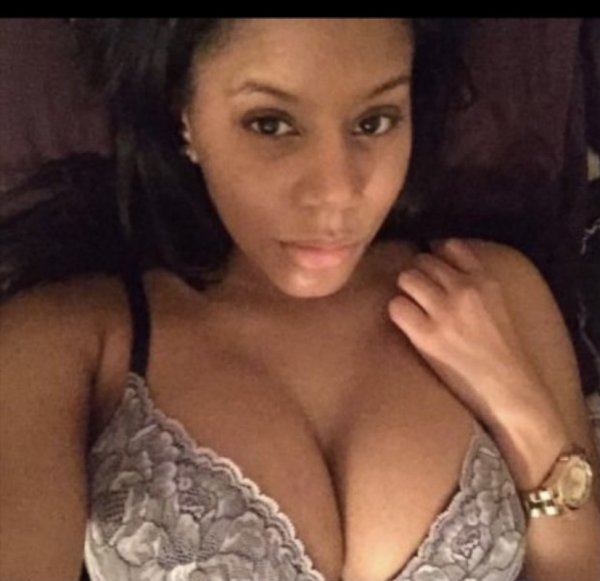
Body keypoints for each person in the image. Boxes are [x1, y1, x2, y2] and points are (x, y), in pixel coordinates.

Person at [0, 18, 599, 581]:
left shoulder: (492, 291)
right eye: (271, 124)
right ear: (184, 114)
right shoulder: (69, 344)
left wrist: (523, 412)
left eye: (374, 122)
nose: (336, 192)